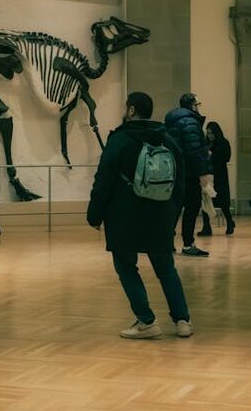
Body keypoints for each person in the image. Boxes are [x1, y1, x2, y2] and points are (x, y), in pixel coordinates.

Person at [87, 92, 192, 339]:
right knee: (166, 268)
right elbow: (180, 181)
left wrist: (94, 215)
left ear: (131, 110)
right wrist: (173, 212)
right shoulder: (167, 139)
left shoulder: (119, 140)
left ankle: (146, 321)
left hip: (124, 217)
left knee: (126, 267)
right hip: (161, 215)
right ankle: (182, 320)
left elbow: (103, 180)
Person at [164, 93, 213, 257]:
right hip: (189, 174)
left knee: (175, 208)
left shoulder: (172, 121)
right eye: (197, 104)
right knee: (192, 208)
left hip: (175, 172)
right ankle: (188, 244)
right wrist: (203, 172)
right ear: (192, 105)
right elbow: (194, 149)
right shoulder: (190, 122)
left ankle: (167, 242)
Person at [199, 121, 234, 236]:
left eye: (212, 133)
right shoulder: (206, 144)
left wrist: (212, 155)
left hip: (220, 176)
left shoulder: (223, 143)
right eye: (208, 133)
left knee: (223, 202)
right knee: (206, 201)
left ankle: (229, 223)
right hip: (209, 175)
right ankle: (206, 227)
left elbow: (226, 157)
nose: (210, 136)